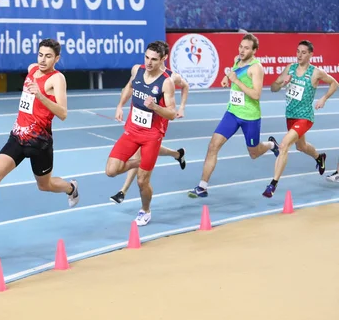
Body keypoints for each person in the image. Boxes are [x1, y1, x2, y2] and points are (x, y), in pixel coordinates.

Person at [0, 39, 79, 244]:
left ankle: (70, 187)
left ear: (57, 58)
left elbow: (63, 113)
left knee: (45, 186)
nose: (42, 59)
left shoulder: (57, 79)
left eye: (48, 56)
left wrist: (40, 95)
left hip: (39, 142)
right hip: (17, 136)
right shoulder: (32, 69)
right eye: (40, 54)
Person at [188, 33, 279, 198]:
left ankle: (272, 145)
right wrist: (225, 78)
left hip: (250, 117)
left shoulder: (256, 68)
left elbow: (257, 94)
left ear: (254, 51)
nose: (242, 50)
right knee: (213, 146)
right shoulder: (238, 60)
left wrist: (236, 81)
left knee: (254, 153)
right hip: (232, 112)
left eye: (246, 48)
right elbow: (234, 70)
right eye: (241, 47)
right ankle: (202, 186)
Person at [105, 41, 177, 226]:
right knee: (111, 170)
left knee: (142, 181)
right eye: (147, 57)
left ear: (162, 59)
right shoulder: (137, 70)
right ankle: (144, 161)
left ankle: (145, 210)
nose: (149, 62)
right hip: (132, 130)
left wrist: (155, 107)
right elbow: (129, 87)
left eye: (154, 59)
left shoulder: (166, 83)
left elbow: (172, 113)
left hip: (152, 135)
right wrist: (120, 105)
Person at [263, 40, 337, 197]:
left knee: (284, 145)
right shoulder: (290, 68)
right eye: (298, 51)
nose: (299, 55)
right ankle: (319, 157)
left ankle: (272, 185)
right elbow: (273, 88)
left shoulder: (315, 72)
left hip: (305, 117)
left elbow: (334, 83)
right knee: (301, 146)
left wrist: (323, 98)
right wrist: (282, 83)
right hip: (290, 116)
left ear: (310, 55)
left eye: (303, 52)